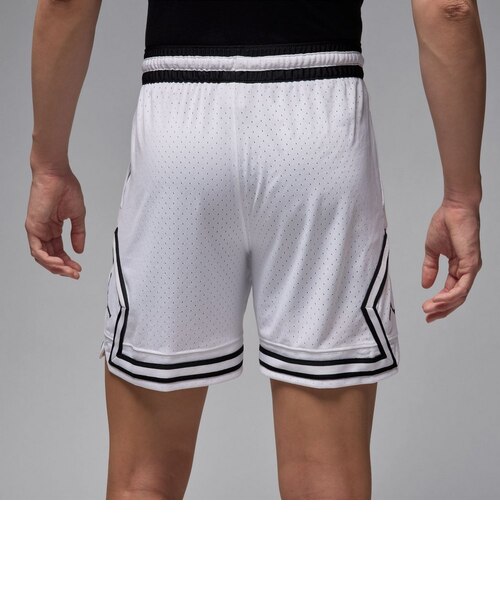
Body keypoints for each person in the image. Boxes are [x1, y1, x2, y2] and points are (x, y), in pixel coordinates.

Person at [25, 0, 484, 500]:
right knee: (325, 483)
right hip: (318, 125)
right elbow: (450, 8)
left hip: (180, 121)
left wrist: (49, 165)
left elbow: (67, 3)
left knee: (142, 483)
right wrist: (461, 196)